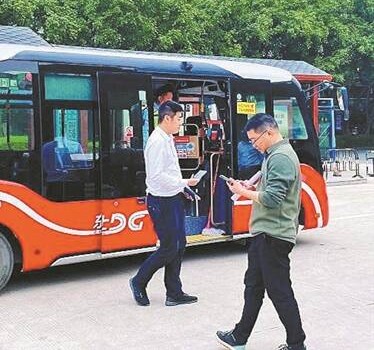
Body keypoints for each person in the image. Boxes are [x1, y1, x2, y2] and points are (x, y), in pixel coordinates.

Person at [216, 113, 307, 350]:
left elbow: (273, 198)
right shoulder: (273, 154)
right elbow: (270, 186)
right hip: (265, 233)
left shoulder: (281, 157)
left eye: (254, 140)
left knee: (279, 291)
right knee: (253, 286)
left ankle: (297, 344)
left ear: (269, 132)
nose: (253, 145)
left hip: (273, 235)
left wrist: (241, 192)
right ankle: (239, 336)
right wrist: (249, 185)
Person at [129, 100, 199, 307]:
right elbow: (157, 176)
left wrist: (182, 188)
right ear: (167, 118)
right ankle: (139, 281)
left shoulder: (167, 138)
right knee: (169, 248)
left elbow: (170, 171)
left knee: (180, 245)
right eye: (178, 119)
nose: (180, 123)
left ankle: (174, 292)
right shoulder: (157, 141)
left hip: (173, 197)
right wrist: (184, 182)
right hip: (161, 201)